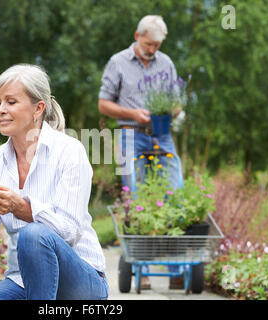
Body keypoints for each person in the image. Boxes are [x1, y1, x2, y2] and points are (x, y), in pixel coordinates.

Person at [0, 64, 108, 300]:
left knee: (33, 235)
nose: (1, 110)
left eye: (11, 102)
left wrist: (23, 208)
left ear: (38, 108)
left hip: (82, 281)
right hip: (23, 282)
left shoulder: (69, 151)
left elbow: (70, 231)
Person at [98, 15, 184, 290]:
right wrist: (133, 113)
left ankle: (175, 264)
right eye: (149, 44)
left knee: (175, 192)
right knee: (134, 196)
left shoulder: (166, 63)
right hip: (130, 135)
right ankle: (141, 266)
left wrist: (170, 111)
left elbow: (176, 102)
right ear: (137, 36)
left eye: (157, 45)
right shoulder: (118, 62)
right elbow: (103, 104)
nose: (152, 50)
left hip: (161, 135)